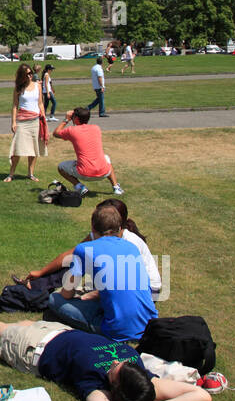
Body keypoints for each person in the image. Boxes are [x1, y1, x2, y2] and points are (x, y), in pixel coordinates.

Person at [0, 304, 213, 401]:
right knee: (21, 322)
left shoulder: (97, 387)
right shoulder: (144, 378)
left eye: (115, 369)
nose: (116, 361)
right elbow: (202, 396)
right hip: (62, 333)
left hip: (36, 348)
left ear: (115, 387)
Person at [46, 203, 157, 340]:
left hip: (117, 330)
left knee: (55, 298)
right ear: (120, 228)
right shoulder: (131, 247)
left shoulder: (83, 249)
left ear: (93, 228)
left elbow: (67, 293)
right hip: (148, 325)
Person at [25, 199, 162, 296]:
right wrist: (41, 272)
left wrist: (93, 294)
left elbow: (127, 284)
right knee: (78, 260)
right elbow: (70, 256)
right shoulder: (100, 234)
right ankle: (40, 286)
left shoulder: (130, 244)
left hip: (146, 290)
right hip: (122, 288)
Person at [53, 107, 123, 196]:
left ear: (76, 119)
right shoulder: (96, 128)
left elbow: (56, 133)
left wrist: (66, 119)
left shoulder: (72, 130)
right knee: (106, 158)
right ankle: (116, 187)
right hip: (104, 172)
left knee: (61, 167)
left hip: (84, 173)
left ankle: (79, 187)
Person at [4, 63, 46, 182]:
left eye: (30, 73)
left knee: (33, 149)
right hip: (22, 121)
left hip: (35, 120)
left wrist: (43, 117)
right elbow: (15, 106)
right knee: (17, 149)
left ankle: (31, 173)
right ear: (22, 75)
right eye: (27, 74)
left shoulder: (37, 86)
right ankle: (11, 174)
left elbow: (40, 103)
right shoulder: (18, 88)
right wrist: (13, 122)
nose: (30, 76)